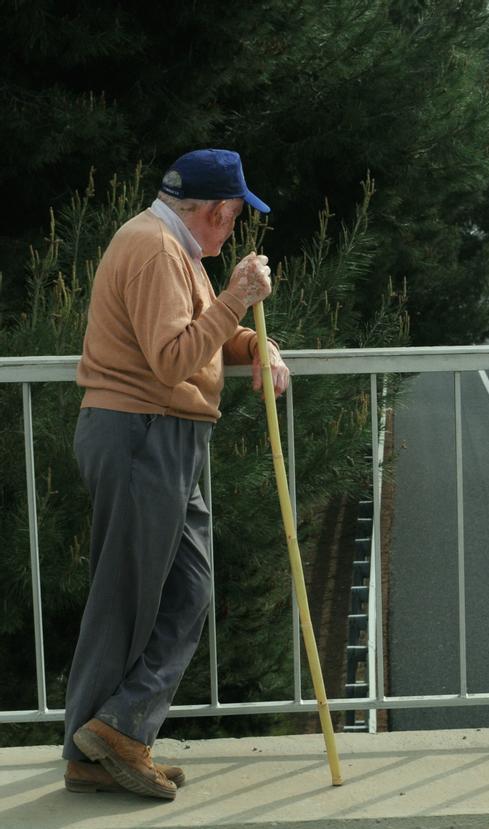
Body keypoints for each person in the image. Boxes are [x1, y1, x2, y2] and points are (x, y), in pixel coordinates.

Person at [61, 149, 289, 801]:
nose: (236, 228)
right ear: (218, 209)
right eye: (237, 215)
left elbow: (196, 335)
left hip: (152, 435)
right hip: (144, 432)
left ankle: (113, 733)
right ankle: (102, 743)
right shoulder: (158, 249)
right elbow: (170, 360)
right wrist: (239, 298)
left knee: (186, 589)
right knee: (125, 602)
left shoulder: (168, 247)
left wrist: (254, 341)